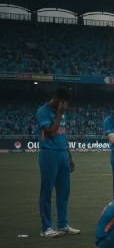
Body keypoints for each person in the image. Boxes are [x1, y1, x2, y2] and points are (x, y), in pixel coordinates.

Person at [36, 87, 80, 237]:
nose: (66, 106)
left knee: (64, 192)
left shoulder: (61, 113)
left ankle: (62, 225)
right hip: (49, 153)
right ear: (57, 100)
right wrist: (59, 114)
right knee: (47, 192)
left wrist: (69, 156)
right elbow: (51, 132)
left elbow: (63, 135)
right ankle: (46, 228)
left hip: (62, 154)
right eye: (64, 103)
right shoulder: (43, 111)